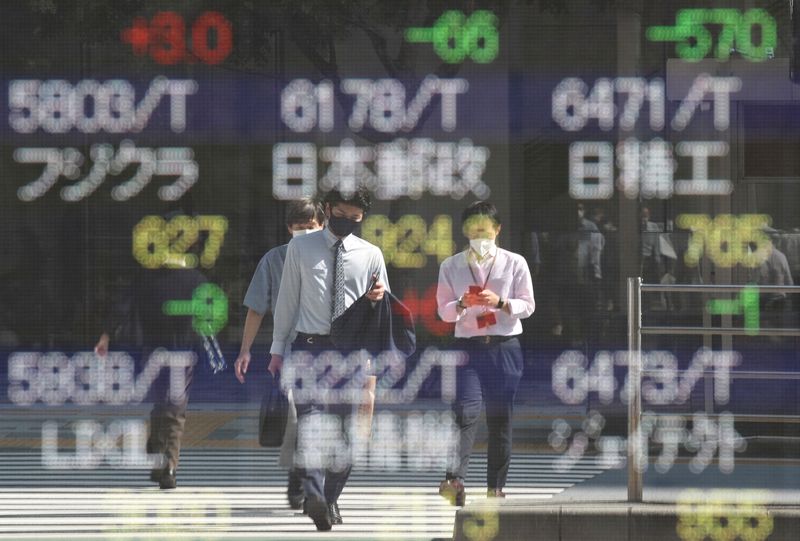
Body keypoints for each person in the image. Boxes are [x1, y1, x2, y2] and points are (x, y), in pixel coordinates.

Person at [267, 188, 389, 531]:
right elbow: (287, 301)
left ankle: (330, 496)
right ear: (327, 209)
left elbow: (384, 309)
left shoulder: (371, 254)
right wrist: (278, 348)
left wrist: (379, 298)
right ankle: (316, 497)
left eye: (355, 218)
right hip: (309, 348)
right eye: (341, 214)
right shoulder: (300, 247)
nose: (347, 222)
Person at [435, 201, 535, 507]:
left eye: (486, 228)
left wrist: (502, 302)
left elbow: (528, 305)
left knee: (500, 419)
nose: (480, 234)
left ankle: (496, 487)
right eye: (474, 228)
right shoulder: (451, 265)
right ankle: (455, 479)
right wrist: (462, 305)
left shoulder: (514, 262)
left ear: (497, 229)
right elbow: (443, 311)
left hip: (504, 346)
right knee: (464, 412)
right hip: (468, 348)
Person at [234, 198, 325, 510]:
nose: (305, 233)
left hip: (329, 353)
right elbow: (256, 308)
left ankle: (306, 477)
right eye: (299, 228)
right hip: (289, 352)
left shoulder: (335, 257)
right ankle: (300, 478)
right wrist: (245, 350)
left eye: (310, 228)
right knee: (301, 421)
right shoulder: (274, 260)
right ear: (289, 228)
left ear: (322, 226)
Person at [94, 262, 207, 489]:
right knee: (169, 408)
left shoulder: (161, 277)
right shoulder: (188, 278)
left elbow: (122, 307)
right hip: (169, 353)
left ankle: (166, 464)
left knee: (169, 407)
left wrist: (106, 335)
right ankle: (162, 456)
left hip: (165, 354)